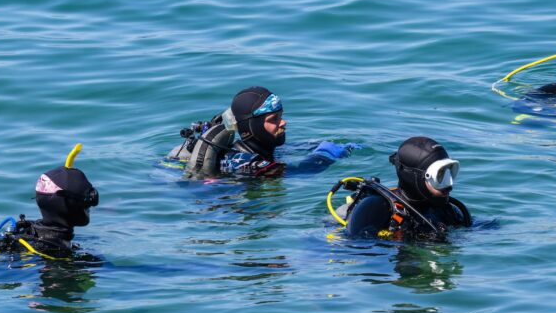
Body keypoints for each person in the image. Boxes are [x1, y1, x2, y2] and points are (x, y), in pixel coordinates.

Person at [167, 86, 354, 178]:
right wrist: (325, 154)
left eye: (281, 116)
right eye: (274, 120)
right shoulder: (243, 161)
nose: (283, 122)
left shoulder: (265, 149)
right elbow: (297, 172)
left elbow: (294, 150)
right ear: (251, 127)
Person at [331, 137, 471, 241]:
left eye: (450, 173)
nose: (449, 185)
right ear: (414, 176)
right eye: (439, 176)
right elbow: (356, 250)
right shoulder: (375, 208)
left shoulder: (448, 210)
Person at [0, 144, 99, 260]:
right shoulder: (55, 254)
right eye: (88, 198)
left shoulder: (27, 234)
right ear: (65, 204)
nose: (90, 204)